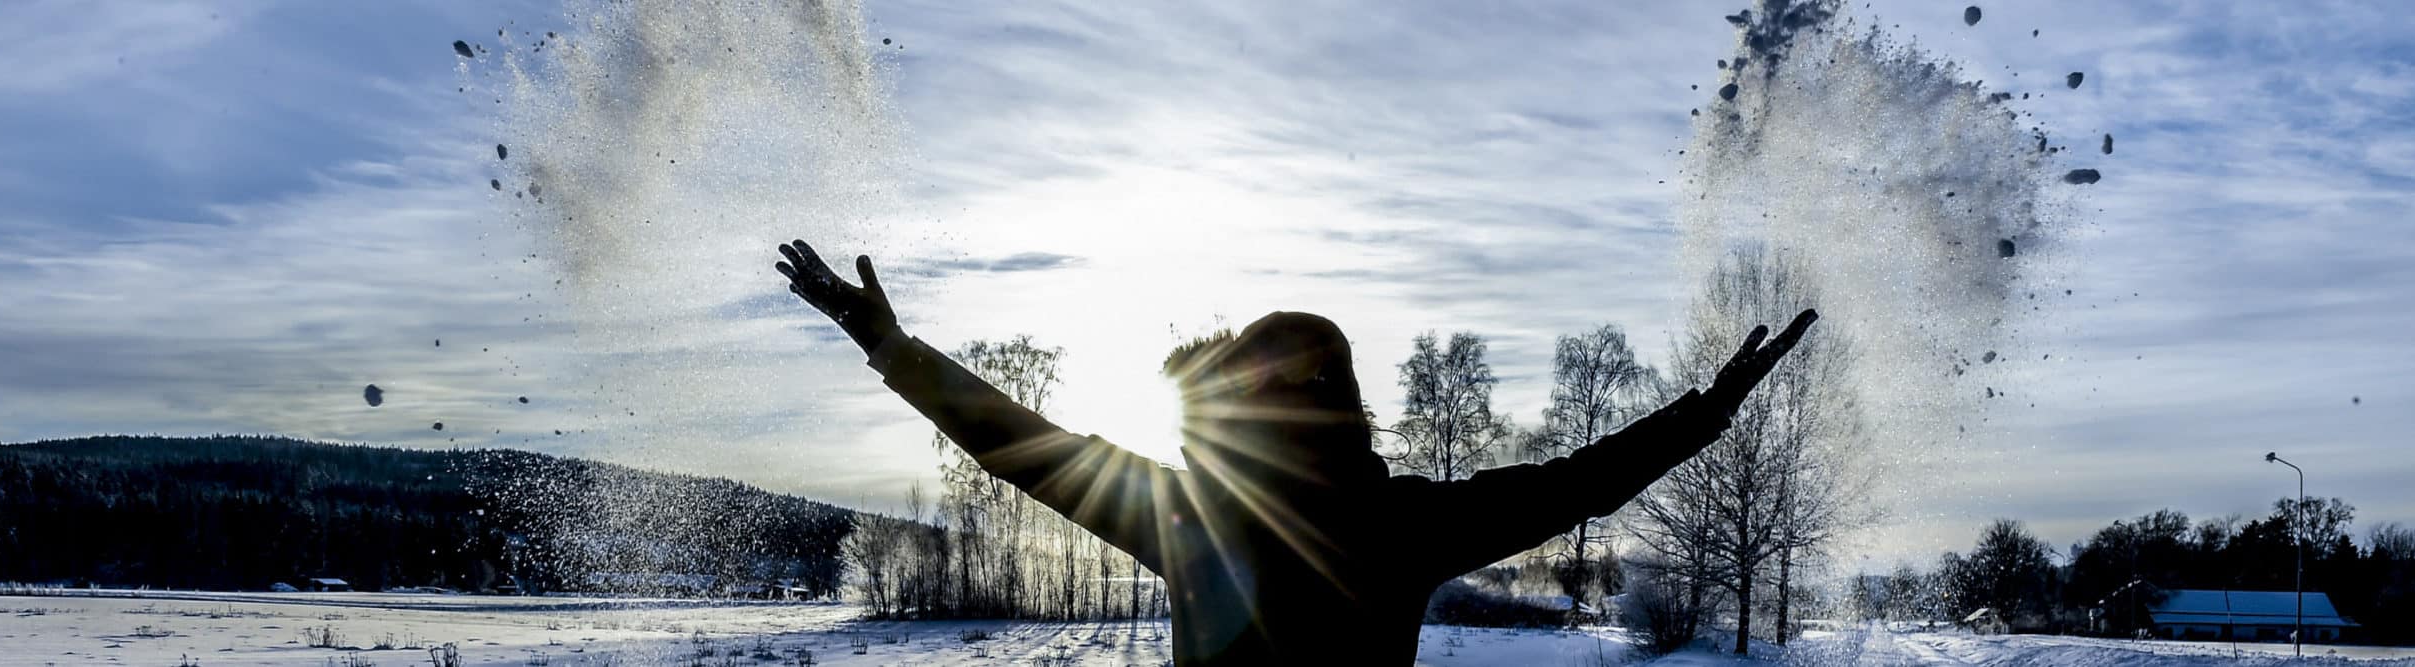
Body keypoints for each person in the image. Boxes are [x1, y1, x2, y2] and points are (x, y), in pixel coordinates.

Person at [775, 240, 1816, 665]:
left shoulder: (1189, 513)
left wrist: (889, 347)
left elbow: (1020, 445)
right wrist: (1704, 412)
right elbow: (1580, 481)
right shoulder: (1390, 522)